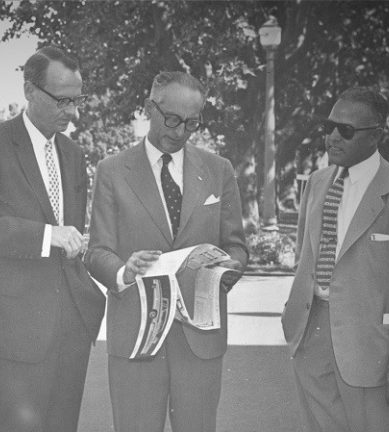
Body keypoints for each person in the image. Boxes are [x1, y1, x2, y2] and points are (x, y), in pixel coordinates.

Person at [84, 71, 247, 432]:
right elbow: (97, 252)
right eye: (171, 119)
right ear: (148, 109)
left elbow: (236, 244)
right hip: (137, 338)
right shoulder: (112, 171)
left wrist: (229, 267)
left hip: (199, 341)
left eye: (191, 123)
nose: (179, 132)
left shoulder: (219, 170)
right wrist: (125, 270)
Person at [0, 46, 106, 432]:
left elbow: (71, 237)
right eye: (63, 101)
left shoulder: (73, 155)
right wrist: (46, 236)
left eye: (78, 100)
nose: (73, 113)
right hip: (12, 336)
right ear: (28, 90)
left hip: (71, 330)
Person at [281, 87, 389, 432]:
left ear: (376, 136)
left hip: (372, 349)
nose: (333, 137)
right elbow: (306, 255)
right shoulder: (317, 183)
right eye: (329, 126)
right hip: (311, 335)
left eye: (345, 131)